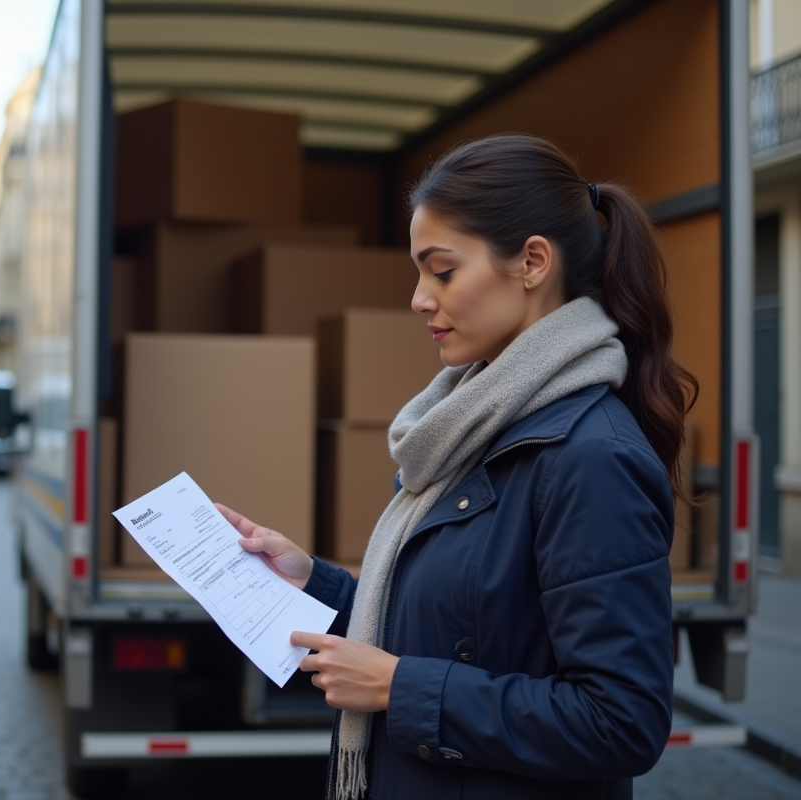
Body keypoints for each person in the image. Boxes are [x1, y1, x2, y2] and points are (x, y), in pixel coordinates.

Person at [216, 133, 694, 800]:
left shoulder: (591, 457)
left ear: (531, 262)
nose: (419, 298)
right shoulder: (471, 430)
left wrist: (399, 688)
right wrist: (313, 582)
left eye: (441, 271)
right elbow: (454, 633)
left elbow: (622, 722)